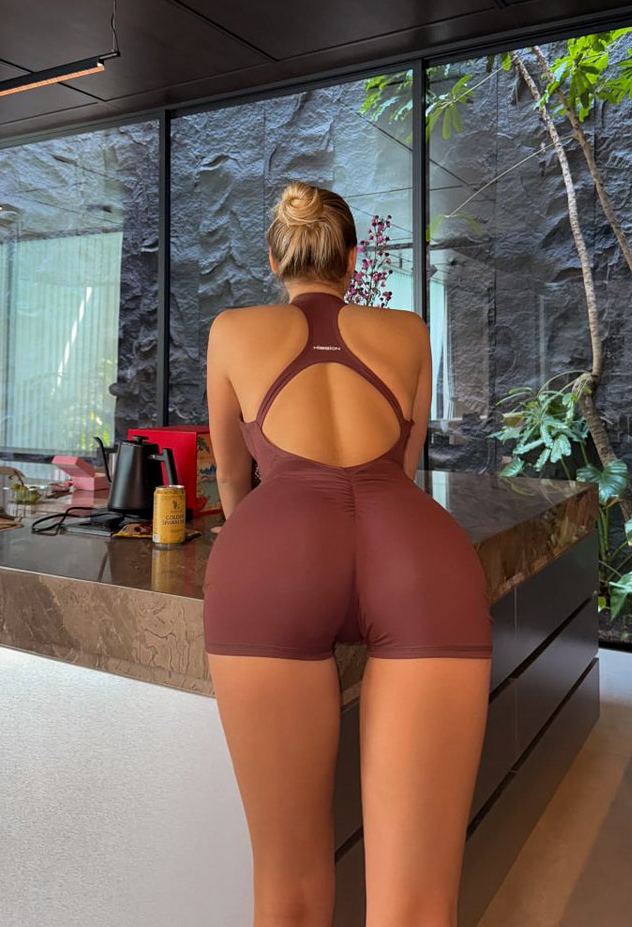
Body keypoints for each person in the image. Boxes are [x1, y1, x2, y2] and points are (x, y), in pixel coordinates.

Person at [203, 180, 492, 927]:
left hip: (275, 553)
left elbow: (232, 479)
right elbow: (404, 465)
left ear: (274, 260)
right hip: (416, 554)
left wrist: (263, 547)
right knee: (418, 906)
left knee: (289, 890)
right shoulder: (409, 331)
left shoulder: (232, 330)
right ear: (354, 260)